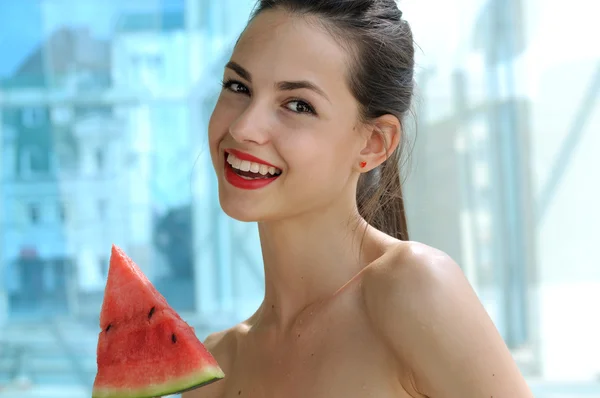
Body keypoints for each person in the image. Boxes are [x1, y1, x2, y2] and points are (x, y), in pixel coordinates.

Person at [185, 0, 534, 396]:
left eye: (298, 105)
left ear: (373, 143)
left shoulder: (416, 289)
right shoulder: (214, 372)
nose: (244, 126)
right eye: (238, 87)